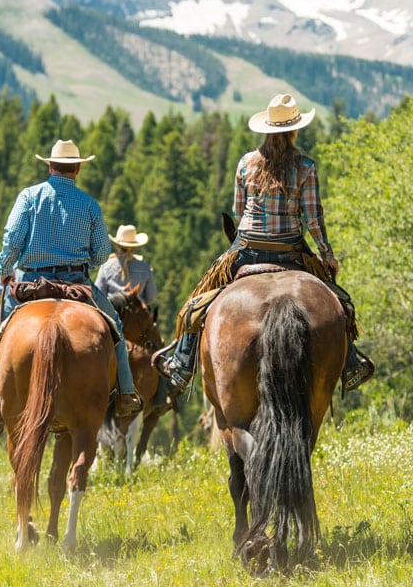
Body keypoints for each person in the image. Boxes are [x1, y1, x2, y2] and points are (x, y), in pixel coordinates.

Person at [154, 93, 375, 393]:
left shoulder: (247, 162)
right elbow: (313, 218)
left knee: (198, 299)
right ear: (294, 129)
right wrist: (327, 254)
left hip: (247, 247)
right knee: (340, 304)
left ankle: (181, 362)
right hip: (291, 249)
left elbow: (237, 209)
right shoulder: (306, 167)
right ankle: (350, 362)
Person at [0, 139, 143, 425]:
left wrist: (5, 270)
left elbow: (11, 239)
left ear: (50, 166)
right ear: (77, 169)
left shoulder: (29, 197)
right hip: (76, 282)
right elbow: (102, 252)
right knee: (114, 325)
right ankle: (127, 392)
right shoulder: (90, 205)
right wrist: (84, 265)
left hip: (31, 281)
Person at [95, 225, 159, 307]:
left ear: (117, 245)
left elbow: (99, 295)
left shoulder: (106, 266)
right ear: (134, 247)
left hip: (112, 311)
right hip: (136, 314)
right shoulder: (144, 266)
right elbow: (152, 297)